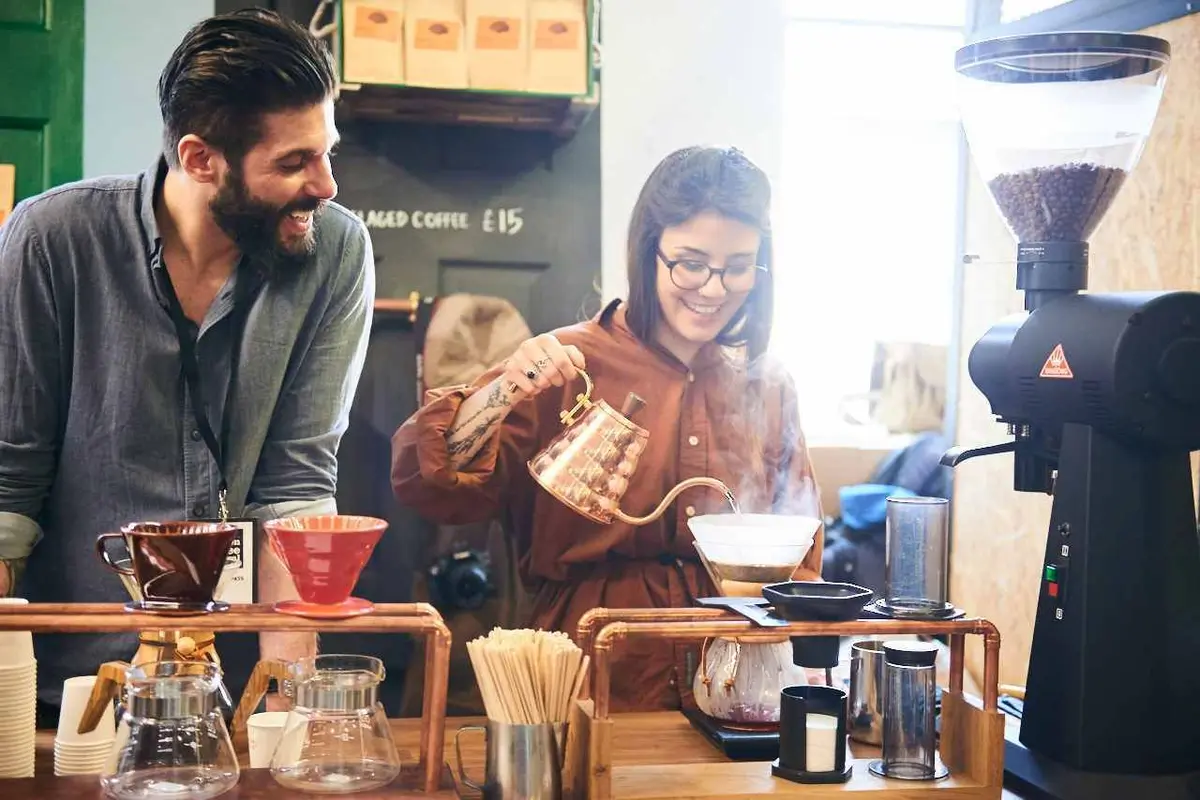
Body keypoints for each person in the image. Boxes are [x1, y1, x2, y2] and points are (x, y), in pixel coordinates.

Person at [0, 9, 373, 723]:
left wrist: (291, 714)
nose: (325, 185)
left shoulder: (335, 254)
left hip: (232, 686)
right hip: (72, 690)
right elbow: (8, 491)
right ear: (201, 159)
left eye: (327, 151)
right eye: (293, 162)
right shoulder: (52, 241)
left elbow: (295, 485)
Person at [392, 146, 823, 711]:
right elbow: (428, 482)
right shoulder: (567, 362)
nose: (714, 289)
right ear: (648, 252)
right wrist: (502, 391)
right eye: (691, 263)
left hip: (737, 671)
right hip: (593, 666)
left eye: (738, 266)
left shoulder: (766, 383)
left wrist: (807, 653)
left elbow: (802, 538)